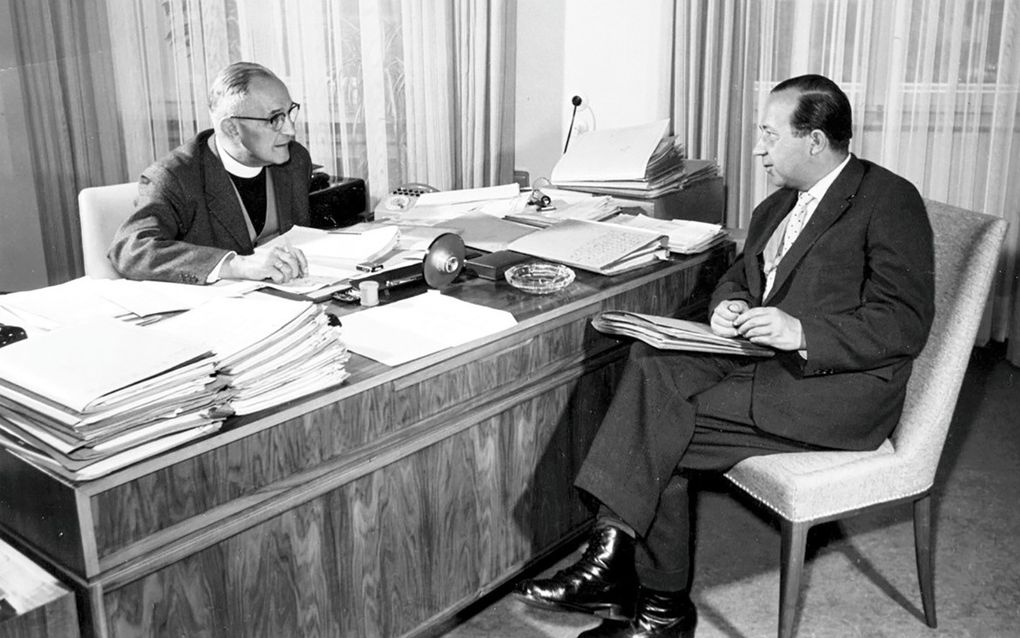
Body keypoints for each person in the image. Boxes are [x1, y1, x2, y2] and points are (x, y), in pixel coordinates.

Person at [514, 74, 935, 638]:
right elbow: (740, 275)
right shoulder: (778, 204)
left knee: (662, 428)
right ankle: (625, 572)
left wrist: (801, 329)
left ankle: (649, 597)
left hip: (838, 389)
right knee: (649, 363)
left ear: (814, 141)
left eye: (769, 134)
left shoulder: (889, 199)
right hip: (761, 358)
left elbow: (904, 321)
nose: (758, 148)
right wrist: (730, 303)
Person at [109, 61, 311, 284]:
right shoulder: (175, 177)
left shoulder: (295, 161)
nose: (290, 130)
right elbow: (131, 250)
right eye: (275, 119)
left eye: (289, 113)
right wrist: (236, 265)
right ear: (231, 129)